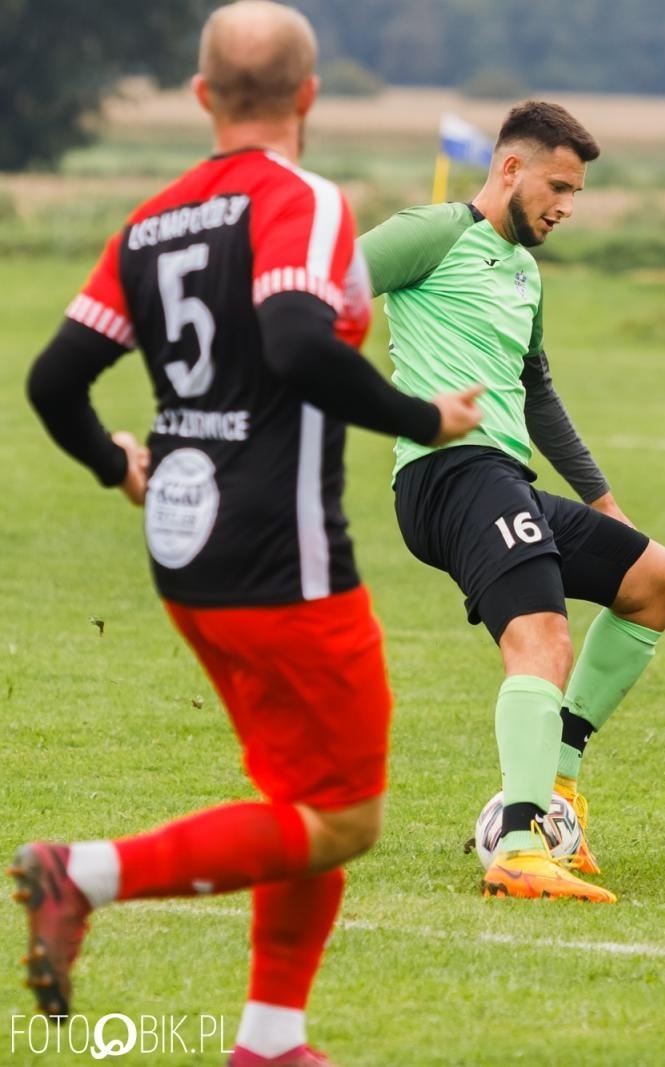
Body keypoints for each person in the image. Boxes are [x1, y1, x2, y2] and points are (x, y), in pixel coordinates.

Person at [12, 4, 483, 1065]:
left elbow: (53, 380)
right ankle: (81, 872)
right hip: (283, 551)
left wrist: (112, 461)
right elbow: (294, 339)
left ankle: (271, 1039)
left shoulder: (149, 220)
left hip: (184, 549)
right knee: (348, 815)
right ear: (309, 96)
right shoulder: (303, 200)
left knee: (298, 796)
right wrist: (426, 416)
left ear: (201, 96)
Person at [360, 101, 665, 904]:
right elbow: (318, 292)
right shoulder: (432, 231)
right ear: (510, 168)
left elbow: (538, 394)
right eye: (559, 186)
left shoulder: (525, 272)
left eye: (575, 192)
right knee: (540, 639)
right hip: (448, 473)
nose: (566, 206)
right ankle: (517, 844)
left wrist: (606, 504)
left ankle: (560, 782)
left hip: (504, 476)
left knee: (656, 579)